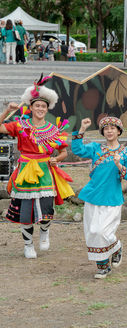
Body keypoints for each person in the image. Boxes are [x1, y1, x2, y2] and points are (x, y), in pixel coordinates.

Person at [0, 75, 74, 258]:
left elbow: (64, 152)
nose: (40, 109)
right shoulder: (20, 125)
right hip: (25, 170)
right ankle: (27, 245)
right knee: (25, 210)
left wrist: (58, 159)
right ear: (31, 107)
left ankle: (45, 231)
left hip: (45, 171)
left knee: (47, 206)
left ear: (47, 108)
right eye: (37, 106)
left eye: (43, 106)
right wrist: (7, 110)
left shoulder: (53, 130)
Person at [71, 117, 127, 278]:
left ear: (119, 131)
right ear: (102, 132)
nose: (109, 131)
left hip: (112, 198)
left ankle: (116, 247)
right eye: (106, 129)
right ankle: (103, 266)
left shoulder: (126, 153)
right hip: (93, 195)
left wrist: (119, 165)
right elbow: (78, 150)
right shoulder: (95, 148)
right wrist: (82, 129)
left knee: (103, 232)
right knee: (92, 232)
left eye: (113, 128)